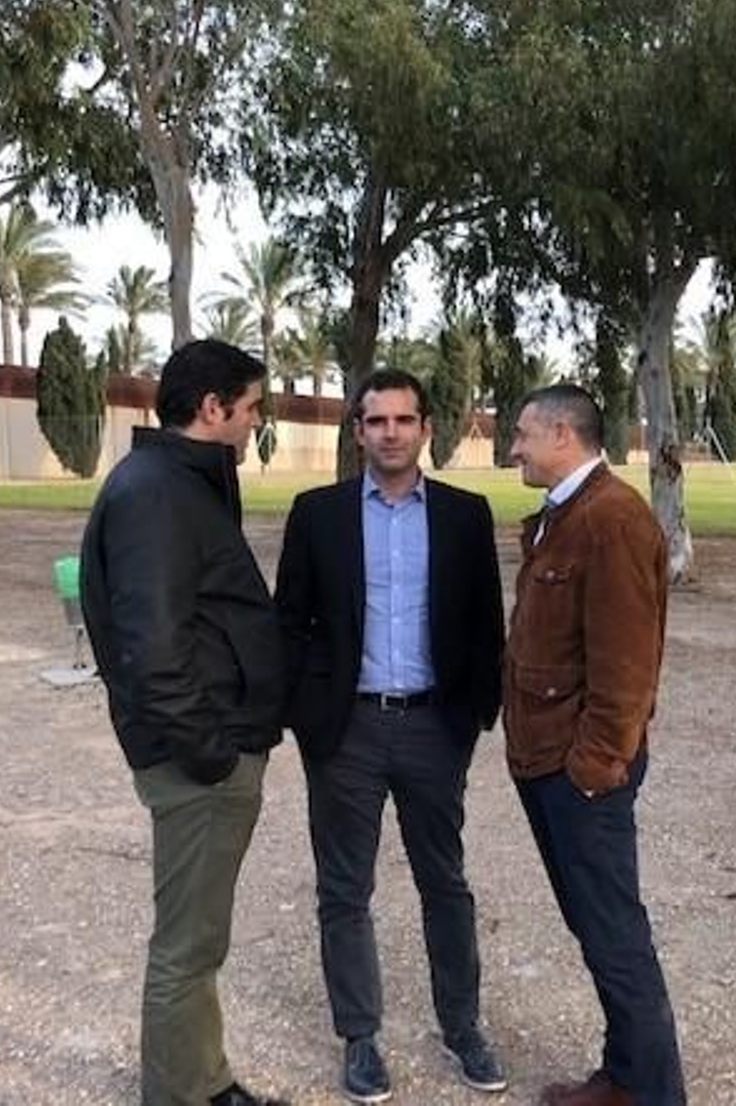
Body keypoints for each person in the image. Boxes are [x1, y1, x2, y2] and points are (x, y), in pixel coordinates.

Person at [275, 368, 507, 1104]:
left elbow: (484, 624)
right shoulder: (317, 514)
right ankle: (360, 1038)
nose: (391, 433)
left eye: (404, 420)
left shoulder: (468, 516)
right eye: (376, 421)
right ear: (358, 433)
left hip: (436, 728)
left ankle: (463, 1027)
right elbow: (291, 623)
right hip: (347, 732)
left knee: (446, 882)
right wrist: (307, 714)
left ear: (426, 428)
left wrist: (473, 716)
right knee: (345, 889)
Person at [80, 340, 287, 1106]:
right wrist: (211, 753)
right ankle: (179, 1095)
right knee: (188, 946)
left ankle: (205, 1079)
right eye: (252, 406)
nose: (255, 419)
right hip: (201, 759)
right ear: (214, 408)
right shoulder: (157, 492)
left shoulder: (184, 479)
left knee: (199, 940)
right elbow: (152, 646)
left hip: (215, 746)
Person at [502, 385, 687, 1106]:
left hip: (579, 774)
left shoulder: (611, 520)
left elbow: (625, 667)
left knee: (616, 936)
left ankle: (656, 1095)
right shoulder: (565, 515)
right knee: (597, 928)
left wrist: (594, 767)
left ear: (562, 435)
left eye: (522, 435)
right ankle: (625, 1078)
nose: (512, 447)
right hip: (546, 760)